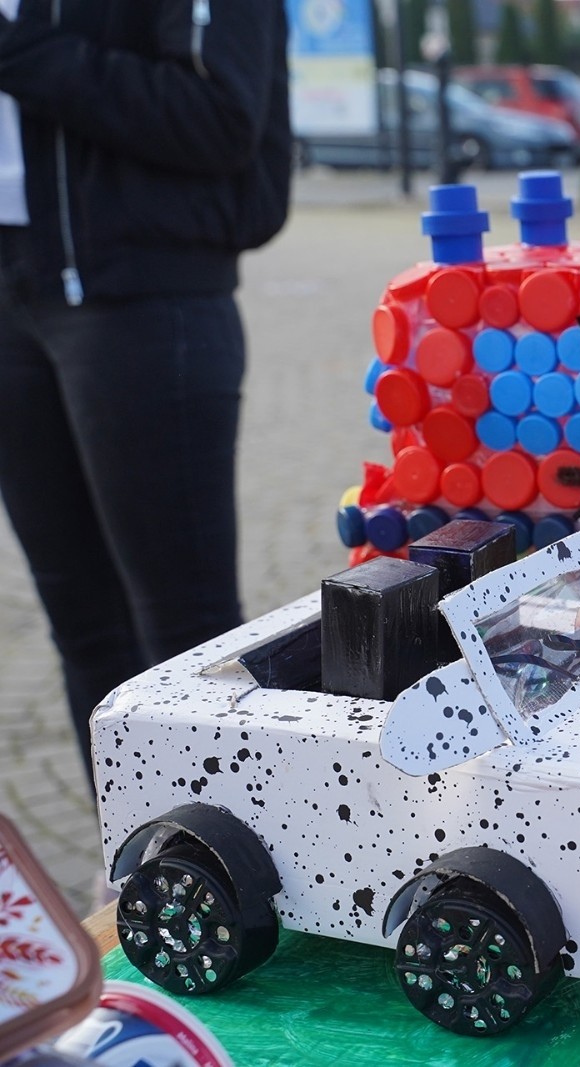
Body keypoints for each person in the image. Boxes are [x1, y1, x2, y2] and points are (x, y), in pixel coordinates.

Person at [0, 0, 291, 779]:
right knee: (83, 627)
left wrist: (18, 51)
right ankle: (125, 845)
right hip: (13, 287)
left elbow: (219, 116)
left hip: (142, 295)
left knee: (187, 636)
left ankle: (215, 844)